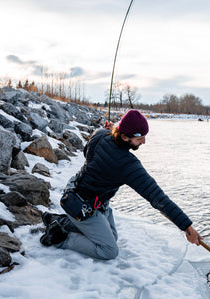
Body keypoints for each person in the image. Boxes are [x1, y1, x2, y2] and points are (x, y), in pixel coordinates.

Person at [40, 109, 201, 260]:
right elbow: (157, 197)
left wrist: (112, 130)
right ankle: (60, 238)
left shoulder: (101, 134)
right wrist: (187, 227)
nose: (144, 142)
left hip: (76, 188)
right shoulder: (127, 165)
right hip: (81, 205)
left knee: (113, 236)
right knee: (109, 250)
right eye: (140, 138)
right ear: (125, 137)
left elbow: (87, 151)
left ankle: (59, 220)